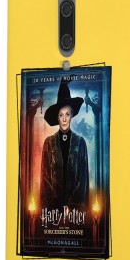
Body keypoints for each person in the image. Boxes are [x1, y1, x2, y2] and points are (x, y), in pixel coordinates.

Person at [40, 78, 89, 210]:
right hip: (53, 210)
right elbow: (44, 177)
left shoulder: (80, 142)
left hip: (75, 210)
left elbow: (83, 177)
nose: (64, 119)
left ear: (72, 115)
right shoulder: (49, 143)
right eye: (61, 115)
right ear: (57, 117)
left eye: (67, 114)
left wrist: (72, 206)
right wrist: (56, 206)